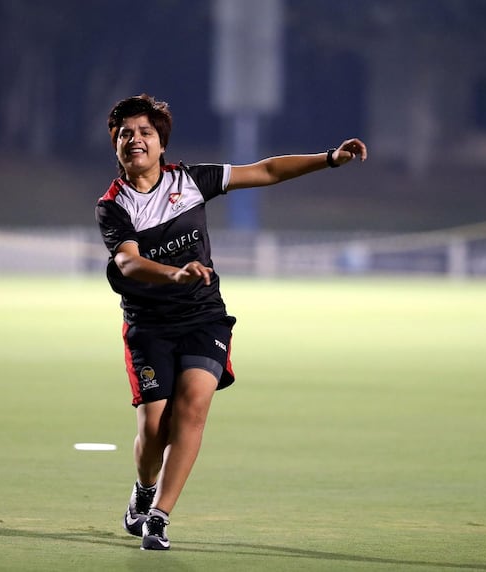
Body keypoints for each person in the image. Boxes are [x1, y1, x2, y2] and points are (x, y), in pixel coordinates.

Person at [95, 94, 367, 551]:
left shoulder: (191, 181)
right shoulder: (113, 205)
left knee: (194, 406)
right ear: (116, 145)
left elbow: (265, 170)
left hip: (204, 316)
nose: (135, 140)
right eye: (126, 134)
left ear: (161, 142)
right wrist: (174, 273)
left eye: (145, 132)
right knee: (153, 429)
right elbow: (128, 264)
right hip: (149, 325)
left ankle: (158, 517)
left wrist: (329, 159)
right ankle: (143, 489)